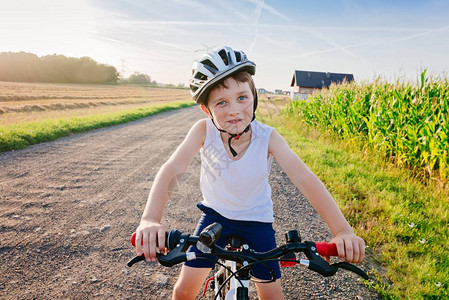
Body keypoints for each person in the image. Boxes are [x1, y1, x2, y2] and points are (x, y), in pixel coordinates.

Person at [134, 46, 365, 300]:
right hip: (215, 217)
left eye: (242, 97)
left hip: (257, 221)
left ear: (254, 96)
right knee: (183, 292)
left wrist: (342, 231)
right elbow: (172, 170)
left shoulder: (268, 137)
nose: (234, 110)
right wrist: (150, 219)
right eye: (221, 102)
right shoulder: (203, 131)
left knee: (273, 297)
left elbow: (305, 179)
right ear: (206, 110)